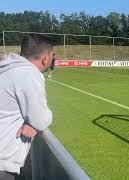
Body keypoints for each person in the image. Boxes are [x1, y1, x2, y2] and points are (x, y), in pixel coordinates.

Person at [0, 34, 53, 179]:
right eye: (52, 55)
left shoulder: (7, 68)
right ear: (46, 58)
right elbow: (41, 119)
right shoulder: (28, 73)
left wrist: (31, 122)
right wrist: (34, 122)